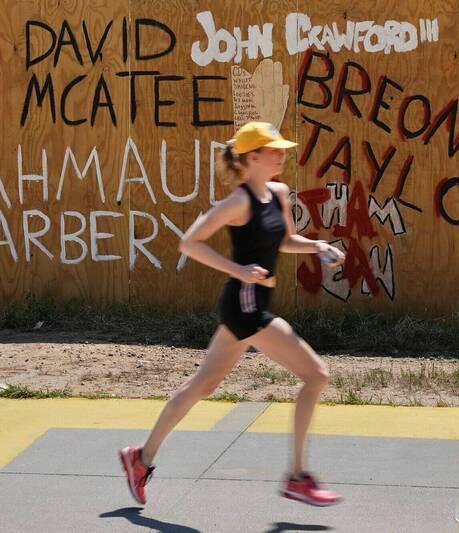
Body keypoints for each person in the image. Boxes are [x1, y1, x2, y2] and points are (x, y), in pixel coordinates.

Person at [118, 122, 346, 507]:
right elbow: (189, 243)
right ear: (251, 158)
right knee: (315, 375)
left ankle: (140, 459)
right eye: (273, 150)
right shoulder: (237, 202)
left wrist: (317, 245)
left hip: (246, 305)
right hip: (244, 305)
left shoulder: (278, 193)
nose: (282, 154)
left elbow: (284, 240)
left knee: (202, 386)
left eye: (281, 148)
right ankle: (297, 477)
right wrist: (239, 270)